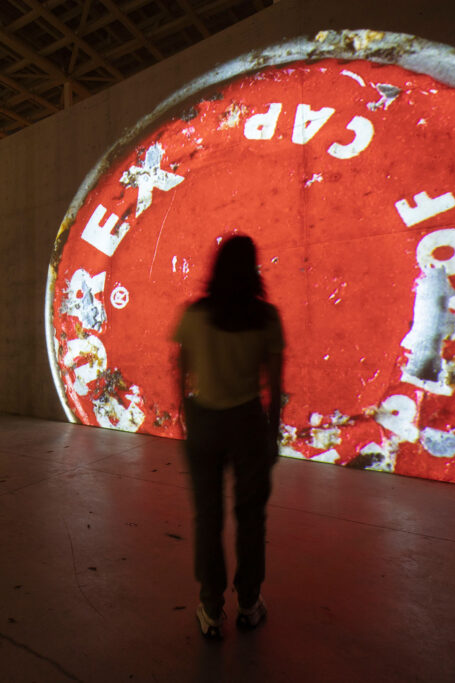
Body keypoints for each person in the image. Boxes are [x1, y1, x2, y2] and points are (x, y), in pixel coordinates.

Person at [173, 234, 284, 639]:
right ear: (253, 268)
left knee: (208, 518)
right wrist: (272, 434)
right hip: (248, 423)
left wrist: (184, 415)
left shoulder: (196, 314)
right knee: (251, 518)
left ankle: (210, 608)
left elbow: (180, 370)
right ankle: (250, 603)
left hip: (205, 422)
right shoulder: (266, 318)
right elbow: (275, 383)